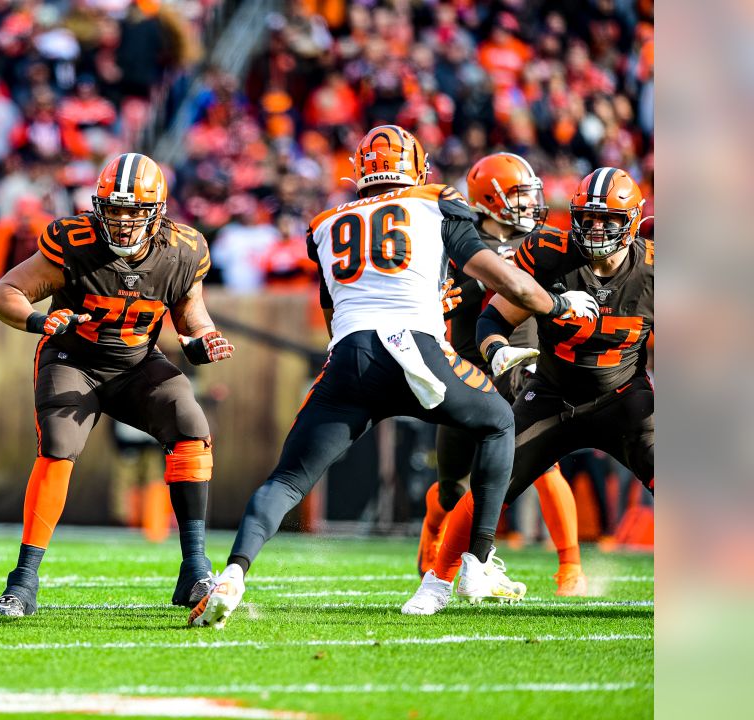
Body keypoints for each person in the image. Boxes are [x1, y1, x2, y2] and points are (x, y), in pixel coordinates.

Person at [189, 126, 600, 628]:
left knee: (288, 479)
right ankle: (477, 562)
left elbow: (333, 308)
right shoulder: (434, 202)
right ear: (416, 169)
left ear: (360, 171)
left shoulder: (323, 224)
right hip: (414, 350)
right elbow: (507, 280)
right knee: (497, 423)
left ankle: (233, 573)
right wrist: (558, 303)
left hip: (350, 358)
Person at [0, 152, 234, 617]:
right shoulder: (73, 241)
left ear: (156, 211)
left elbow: (190, 315)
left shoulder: (184, 249)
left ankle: (195, 567)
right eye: (113, 210)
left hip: (137, 363)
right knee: (58, 445)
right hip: (72, 359)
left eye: (133, 211)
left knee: (190, 426)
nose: (121, 222)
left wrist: (203, 340)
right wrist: (42, 320)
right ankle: (23, 581)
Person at [404, 167, 653, 615]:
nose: (595, 230)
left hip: (624, 399)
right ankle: (436, 583)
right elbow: (493, 319)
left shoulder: (655, 269)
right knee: (487, 482)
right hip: (552, 396)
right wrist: (497, 349)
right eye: (588, 218)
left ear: (632, 220)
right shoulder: (549, 252)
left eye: (607, 220)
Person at [419, 152, 587, 596]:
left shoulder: (543, 246)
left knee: (544, 466)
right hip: (466, 372)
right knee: (452, 486)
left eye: (530, 195)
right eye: (518, 195)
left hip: (523, 370)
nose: (530, 204)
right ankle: (433, 539)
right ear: (490, 198)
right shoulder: (458, 243)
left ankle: (570, 567)